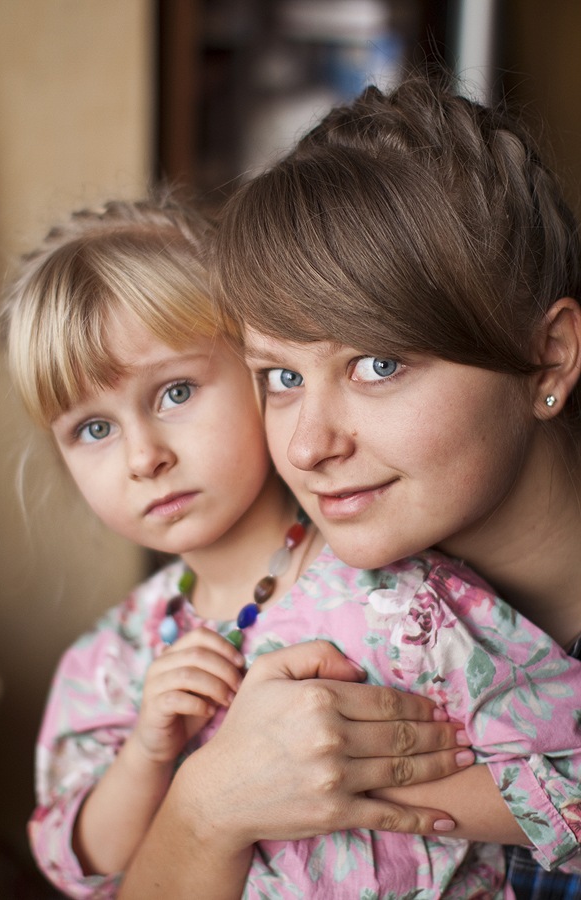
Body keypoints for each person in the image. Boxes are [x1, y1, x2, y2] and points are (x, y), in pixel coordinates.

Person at [0, 193, 478, 899]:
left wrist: (360, 785)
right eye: (94, 430)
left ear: (263, 372)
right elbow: (84, 866)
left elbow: (552, 774)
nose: (144, 457)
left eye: (175, 392)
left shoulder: (398, 589)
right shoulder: (107, 663)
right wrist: (148, 754)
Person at [207, 74, 581, 898]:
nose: (308, 446)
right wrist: (207, 807)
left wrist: (359, 795)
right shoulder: (307, 616)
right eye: (281, 377)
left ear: (549, 358)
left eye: (377, 364)